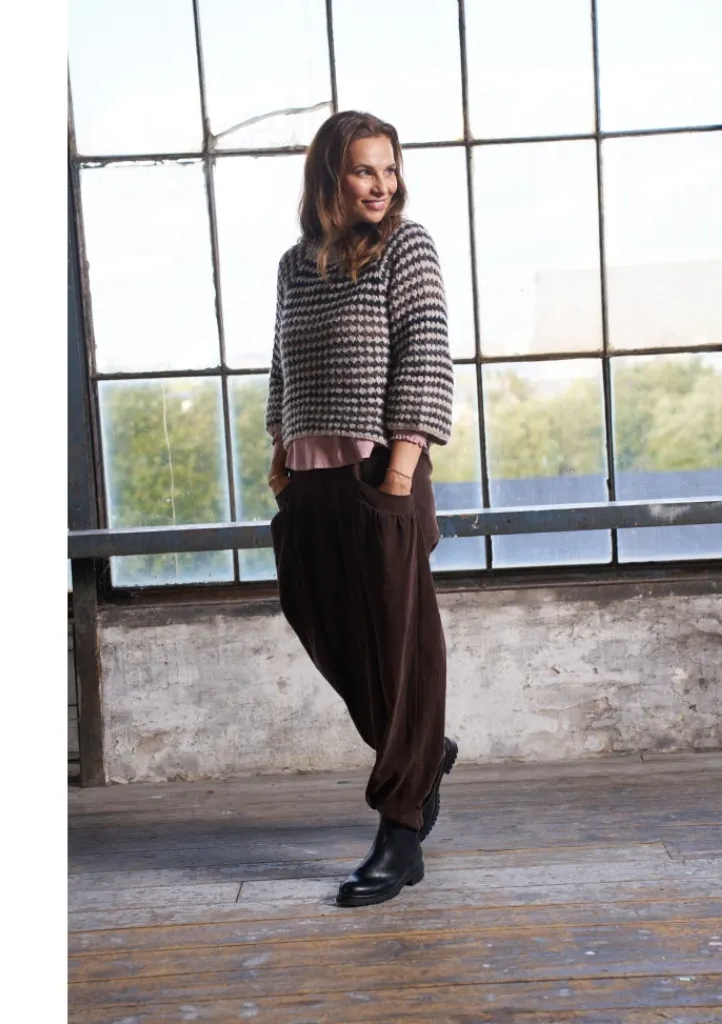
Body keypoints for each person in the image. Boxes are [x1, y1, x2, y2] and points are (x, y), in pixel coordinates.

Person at [264, 110, 458, 908]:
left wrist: (402, 469)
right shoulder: (295, 265)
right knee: (318, 617)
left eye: (390, 169)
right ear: (330, 178)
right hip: (309, 478)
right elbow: (280, 361)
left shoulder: (405, 248)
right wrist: (280, 449)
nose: (382, 185)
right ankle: (423, 750)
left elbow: (426, 351)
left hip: (383, 473)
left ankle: (400, 831)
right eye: (363, 170)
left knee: (400, 651)